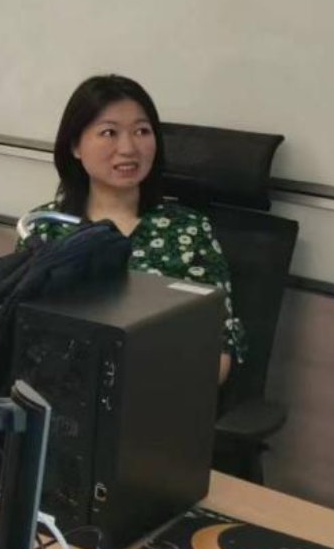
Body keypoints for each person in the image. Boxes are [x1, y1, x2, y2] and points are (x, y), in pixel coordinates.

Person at [23, 74, 245, 383]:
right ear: (75, 146)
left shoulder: (189, 230)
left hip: (158, 393)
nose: (128, 148)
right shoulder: (45, 229)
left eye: (141, 131)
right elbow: (20, 335)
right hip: (58, 394)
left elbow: (217, 348)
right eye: (109, 132)